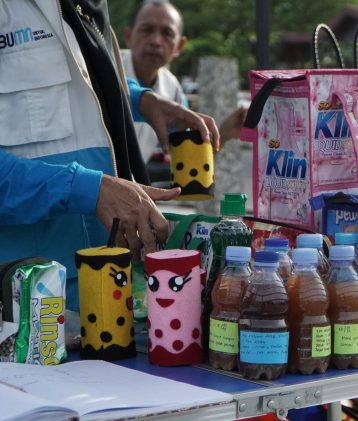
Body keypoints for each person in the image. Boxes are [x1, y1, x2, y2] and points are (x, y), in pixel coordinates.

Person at [0, 0, 220, 313]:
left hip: (107, 293)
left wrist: (138, 99)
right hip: (25, 310)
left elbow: (78, 79)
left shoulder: (88, 5)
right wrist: (89, 190)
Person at [122, 0, 245, 181]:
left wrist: (224, 133)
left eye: (167, 33)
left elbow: (188, 161)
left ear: (179, 46)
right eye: (147, 30)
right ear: (128, 36)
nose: (156, 41)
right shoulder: (103, 66)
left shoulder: (172, 88)